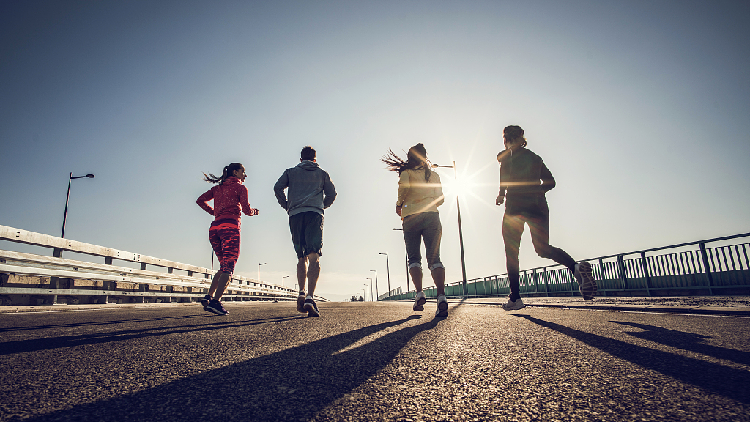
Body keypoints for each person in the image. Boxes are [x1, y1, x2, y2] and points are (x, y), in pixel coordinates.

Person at [496, 125, 597, 311]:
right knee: (542, 248)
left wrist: (501, 195)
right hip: (538, 206)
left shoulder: (506, 158)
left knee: (512, 253)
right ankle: (575, 268)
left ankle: (515, 298)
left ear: (506, 139)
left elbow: (504, 181)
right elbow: (551, 182)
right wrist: (535, 192)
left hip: (514, 209)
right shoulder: (535, 157)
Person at [382, 143, 448, 317]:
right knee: (435, 259)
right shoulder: (433, 175)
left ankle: (419, 293)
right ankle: (441, 297)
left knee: (414, 258)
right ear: (425, 157)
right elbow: (441, 199)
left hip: (411, 217)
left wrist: (399, 206)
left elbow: (403, 190)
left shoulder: (407, 173)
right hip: (432, 216)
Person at [274, 146, 337, 317]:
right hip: (314, 214)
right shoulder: (322, 174)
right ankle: (310, 296)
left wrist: (286, 205)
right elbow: (332, 194)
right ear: (315, 159)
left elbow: (277, 188)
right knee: (314, 255)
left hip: (295, 215)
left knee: (301, 256)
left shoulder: (290, 172)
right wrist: (322, 205)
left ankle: (301, 292)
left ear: (301, 159)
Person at [196, 163, 259, 315]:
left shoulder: (217, 189)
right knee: (228, 268)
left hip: (214, 228)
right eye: (244, 172)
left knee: (223, 266)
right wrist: (254, 212)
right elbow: (246, 210)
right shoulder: (240, 188)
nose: (245, 175)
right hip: (230, 228)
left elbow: (200, 200)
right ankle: (216, 302)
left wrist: (215, 213)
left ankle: (208, 297)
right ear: (236, 172)